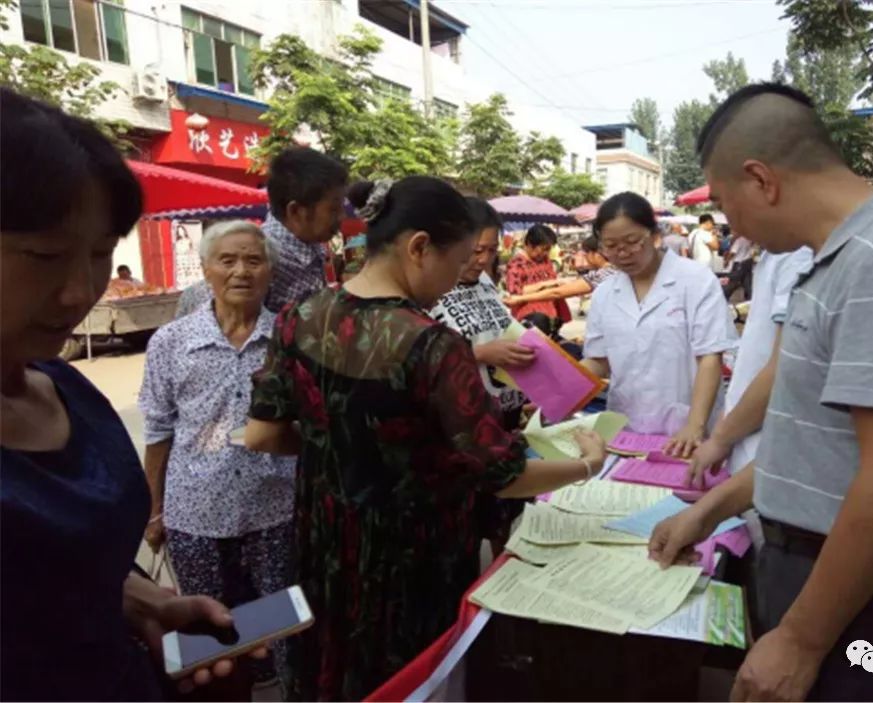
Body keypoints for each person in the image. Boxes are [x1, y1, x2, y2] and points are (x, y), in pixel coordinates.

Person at [648, 83, 873, 702]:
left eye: (728, 205)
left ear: (762, 179)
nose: (735, 228)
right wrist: (714, 506)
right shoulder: (838, 261)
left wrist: (802, 640)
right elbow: (819, 444)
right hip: (842, 588)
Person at [243, 176, 608, 700]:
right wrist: (586, 465)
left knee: (332, 669)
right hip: (412, 559)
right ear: (418, 247)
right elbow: (500, 477)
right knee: (412, 680)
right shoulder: (435, 345)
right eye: (458, 263)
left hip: (326, 544)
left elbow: (262, 433)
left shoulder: (297, 317)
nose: (459, 278)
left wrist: (342, 441)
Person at [0, 89, 258, 701]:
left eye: (99, 254)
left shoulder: (61, 384)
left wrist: (132, 599)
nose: (80, 291)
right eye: (45, 255)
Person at [139, 220, 296, 691]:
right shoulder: (172, 342)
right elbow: (158, 430)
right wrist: (154, 511)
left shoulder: (290, 338)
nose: (241, 271)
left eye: (253, 259)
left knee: (280, 631)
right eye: (227, 260)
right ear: (205, 269)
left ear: (270, 269)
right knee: (210, 636)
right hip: (195, 512)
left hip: (275, 509)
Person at [582, 192, 737, 453]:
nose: (622, 253)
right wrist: (557, 386)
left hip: (686, 428)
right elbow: (598, 360)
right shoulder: (605, 293)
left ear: (654, 236)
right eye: (611, 246)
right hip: (627, 429)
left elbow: (710, 356)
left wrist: (695, 425)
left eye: (632, 242)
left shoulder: (695, 280)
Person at [685, 244, 813, 499]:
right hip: (746, 440)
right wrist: (729, 415)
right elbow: (757, 353)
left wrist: (722, 437)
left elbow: (783, 366)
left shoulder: (797, 255)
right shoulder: (773, 254)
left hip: (766, 452)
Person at [431, 198, 531, 430]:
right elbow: (421, 357)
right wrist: (481, 353)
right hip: (466, 420)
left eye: (492, 250)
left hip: (506, 410)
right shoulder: (431, 288)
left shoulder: (485, 280)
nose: (484, 260)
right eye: (476, 251)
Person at [263, 147, 349, 312]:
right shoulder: (263, 258)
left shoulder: (309, 244)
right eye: (333, 209)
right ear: (296, 211)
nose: (342, 217)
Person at [503, 235, 615, 309]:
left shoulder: (604, 274)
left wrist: (521, 298)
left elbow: (558, 292)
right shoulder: (608, 271)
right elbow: (566, 286)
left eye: (587, 254)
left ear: (597, 254)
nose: (585, 258)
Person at [505, 224, 571, 323]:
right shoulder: (517, 264)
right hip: (529, 316)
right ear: (530, 245)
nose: (546, 253)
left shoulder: (545, 261)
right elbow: (515, 292)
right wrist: (543, 284)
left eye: (548, 249)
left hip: (550, 314)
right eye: (543, 249)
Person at [722, 233, 754, 300]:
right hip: (747, 263)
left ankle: (724, 295)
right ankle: (750, 297)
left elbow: (733, 252)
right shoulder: (750, 240)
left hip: (738, 263)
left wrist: (727, 261)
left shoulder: (739, 240)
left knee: (733, 281)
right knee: (747, 282)